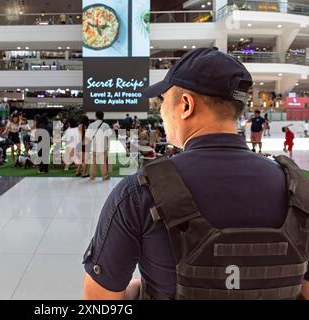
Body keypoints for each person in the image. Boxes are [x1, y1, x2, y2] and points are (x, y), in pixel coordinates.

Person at [82, 48, 309, 300]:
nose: (161, 111)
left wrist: (136, 291)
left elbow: (99, 299)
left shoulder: (139, 192)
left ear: (186, 105)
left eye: (163, 101)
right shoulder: (298, 190)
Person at [85, 111, 111, 181]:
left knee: (93, 163)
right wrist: (108, 147)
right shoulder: (106, 125)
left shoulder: (91, 125)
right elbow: (109, 136)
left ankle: (92, 176)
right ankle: (104, 176)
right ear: (103, 116)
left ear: (96, 116)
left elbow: (87, 136)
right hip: (103, 147)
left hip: (94, 147)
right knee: (103, 162)